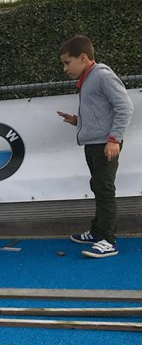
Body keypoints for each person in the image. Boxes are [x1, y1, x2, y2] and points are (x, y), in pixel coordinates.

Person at [57, 35, 133, 258]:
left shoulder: (102, 76)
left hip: (104, 145)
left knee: (104, 190)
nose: (65, 68)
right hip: (94, 144)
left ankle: (108, 240)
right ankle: (97, 231)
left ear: (83, 58)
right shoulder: (89, 78)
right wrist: (78, 121)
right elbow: (101, 113)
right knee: (98, 187)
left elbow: (124, 107)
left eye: (67, 62)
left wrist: (114, 139)